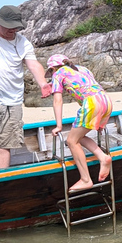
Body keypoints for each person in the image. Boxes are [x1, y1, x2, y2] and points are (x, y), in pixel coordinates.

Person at [0, 5, 51, 170]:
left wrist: (43, 83)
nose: (13, 29)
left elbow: (33, 64)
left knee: (5, 145)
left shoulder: (23, 42)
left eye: (16, 27)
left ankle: (1, 185)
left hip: (13, 101)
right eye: (9, 26)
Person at [48, 54, 114, 191]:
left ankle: (85, 179)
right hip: (106, 100)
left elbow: (57, 101)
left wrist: (59, 126)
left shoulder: (58, 74)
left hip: (92, 103)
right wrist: (101, 122)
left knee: (72, 141)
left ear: (53, 68)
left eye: (50, 71)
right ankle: (102, 157)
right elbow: (93, 87)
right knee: (79, 136)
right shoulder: (82, 69)